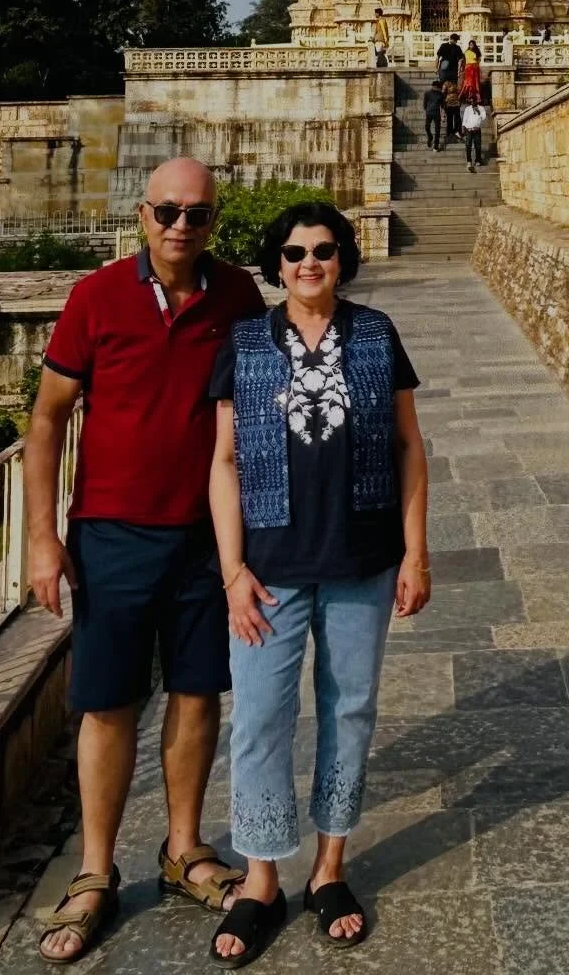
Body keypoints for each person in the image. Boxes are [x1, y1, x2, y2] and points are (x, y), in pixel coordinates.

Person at [25, 159, 265, 965]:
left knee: (198, 693)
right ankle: (95, 868)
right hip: (113, 531)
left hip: (206, 534)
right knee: (109, 700)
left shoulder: (236, 296)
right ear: (143, 215)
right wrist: (41, 536)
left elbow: (261, 411)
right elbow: (48, 420)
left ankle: (185, 848)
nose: (181, 226)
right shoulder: (95, 297)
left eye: (197, 214)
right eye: (168, 211)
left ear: (214, 222)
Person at [208, 203, 431, 965]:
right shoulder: (245, 343)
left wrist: (416, 551)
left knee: (351, 710)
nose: (310, 263)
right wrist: (232, 571)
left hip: (361, 558)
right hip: (268, 570)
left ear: (344, 260)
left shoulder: (374, 335)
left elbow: (409, 445)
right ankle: (263, 878)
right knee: (261, 716)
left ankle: (329, 869)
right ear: (276, 265)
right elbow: (225, 463)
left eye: (325, 251)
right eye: (296, 252)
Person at [461, 97, 488, 171]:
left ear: (477, 101)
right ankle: (469, 161)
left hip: (477, 129)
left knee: (478, 146)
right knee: (468, 145)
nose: (472, 103)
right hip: (469, 130)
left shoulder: (481, 108)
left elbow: (484, 117)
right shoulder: (467, 109)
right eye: (471, 102)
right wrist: (463, 128)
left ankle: (478, 160)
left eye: (474, 101)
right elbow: (465, 119)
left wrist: (478, 111)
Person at [422, 78, 445, 151]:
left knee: (437, 130)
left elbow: (443, 105)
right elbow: (425, 103)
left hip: (437, 113)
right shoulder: (427, 93)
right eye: (437, 88)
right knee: (427, 127)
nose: (438, 89)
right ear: (434, 87)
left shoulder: (441, 94)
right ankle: (430, 136)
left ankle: (436, 145)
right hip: (429, 112)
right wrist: (426, 110)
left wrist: (443, 115)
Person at [459, 39, 483, 105]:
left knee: (476, 83)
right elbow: (463, 61)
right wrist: (461, 70)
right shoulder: (466, 52)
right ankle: (467, 96)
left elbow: (478, 61)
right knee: (469, 82)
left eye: (472, 45)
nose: (471, 46)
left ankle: (476, 98)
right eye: (470, 45)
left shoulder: (477, 52)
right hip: (468, 68)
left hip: (475, 68)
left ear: (474, 45)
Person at [442, 76, 462, 144]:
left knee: (458, 119)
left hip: (456, 103)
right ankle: (450, 132)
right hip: (449, 103)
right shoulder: (446, 83)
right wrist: (443, 103)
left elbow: (460, 91)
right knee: (449, 119)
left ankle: (457, 131)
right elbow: (443, 92)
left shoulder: (458, 82)